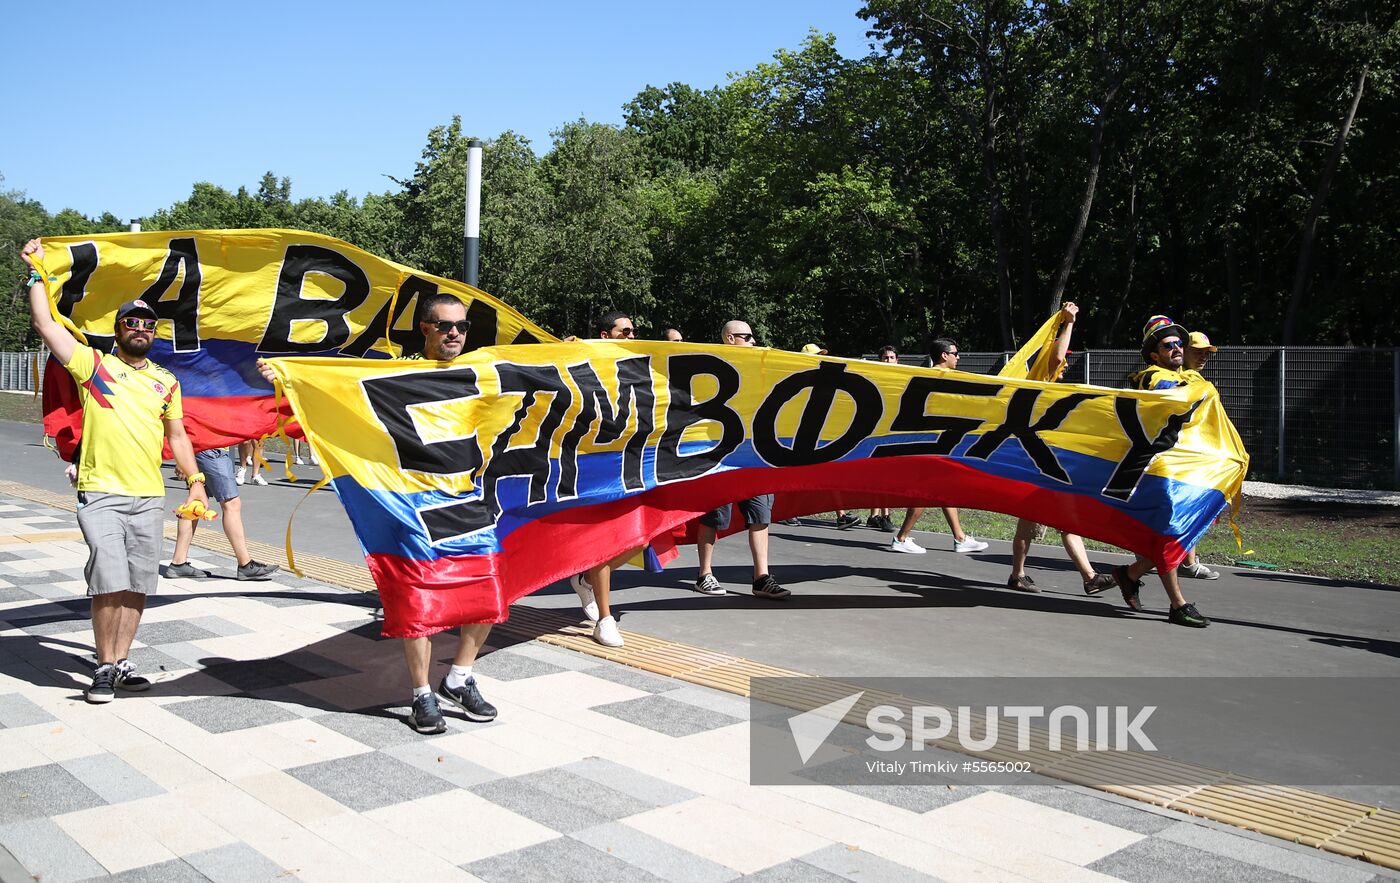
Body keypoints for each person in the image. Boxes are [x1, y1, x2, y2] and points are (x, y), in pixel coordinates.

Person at [261, 293, 499, 732]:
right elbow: (334, 387)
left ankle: (460, 677)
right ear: (425, 327)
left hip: (469, 502)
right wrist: (288, 374)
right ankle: (421, 694)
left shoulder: (482, 372)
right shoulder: (394, 372)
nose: (455, 334)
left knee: (486, 598)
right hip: (411, 504)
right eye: (446, 325)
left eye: (462, 327)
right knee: (417, 603)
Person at [22, 238, 208, 704]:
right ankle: (103, 666)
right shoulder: (95, 367)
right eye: (132, 323)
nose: (141, 329)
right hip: (100, 491)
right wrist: (35, 273)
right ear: (119, 329)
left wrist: (196, 482)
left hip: (148, 496)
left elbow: (179, 437)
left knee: (139, 584)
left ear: (154, 333)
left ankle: (121, 660)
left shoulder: (166, 382)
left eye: (148, 324)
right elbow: (45, 323)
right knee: (109, 580)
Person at [1001, 303, 1117, 595]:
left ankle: (1087, 577)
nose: (1065, 364)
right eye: (1064, 360)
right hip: (1034, 466)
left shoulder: (1044, 387)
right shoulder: (1041, 382)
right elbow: (1054, 357)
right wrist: (1069, 323)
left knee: (1065, 521)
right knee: (1035, 524)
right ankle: (1020, 574)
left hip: (1047, 466)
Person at [1112, 315, 1210, 626]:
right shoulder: (1151, 377)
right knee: (1170, 532)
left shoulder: (1191, 379)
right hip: (1157, 468)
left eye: (1180, 343)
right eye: (1169, 345)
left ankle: (1129, 575)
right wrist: (1195, 384)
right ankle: (1178, 605)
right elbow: (1172, 391)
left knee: (1172, 534)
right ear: (1155, 354)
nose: (1178, 348)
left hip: (1182, 467)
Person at [693, 321, 790, 599]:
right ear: (730, 339)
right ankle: (704, 574)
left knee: (761, 515)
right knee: (714, 515)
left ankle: (761, 577)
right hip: (721, 455)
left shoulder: (761, 366)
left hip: (755, 454)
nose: (753, 341)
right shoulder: (710, 364)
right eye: (747, 337)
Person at [567, 310, 644, 646]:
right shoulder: (585, 359)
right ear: (605, 335)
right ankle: (606, 617)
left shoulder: (638, 365)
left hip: (630, 461)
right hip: (593, 463)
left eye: (632, 331)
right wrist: (566, 348)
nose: (630, 336)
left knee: (643, 538)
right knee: (603, 540)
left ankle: (584, 577)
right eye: (624, 332)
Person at [889, 338, 989, 555]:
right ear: (944, 355)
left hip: (939, 444)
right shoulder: (936, 377)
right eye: (955, 353)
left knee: (945, 490)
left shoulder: (937, 377)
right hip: (930, 445)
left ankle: (960, 538)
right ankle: (901, 538)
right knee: (927, 492)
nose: (958, 357)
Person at [165, 446, 280, 581]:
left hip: (201, 450)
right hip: (211, 450)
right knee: (231, 503)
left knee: (195, 504)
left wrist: (183, 457)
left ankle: (178, 562)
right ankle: (245, 565)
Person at [1176, 330, 1221, 579]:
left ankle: (1188, 561)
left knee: (1196, 504)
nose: (1204, 356)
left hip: (1196, 453)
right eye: (1197, 351)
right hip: (1178, 453)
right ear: (1183, 350)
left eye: (1207, 353)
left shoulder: (1197, 380)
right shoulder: (1174, 378)